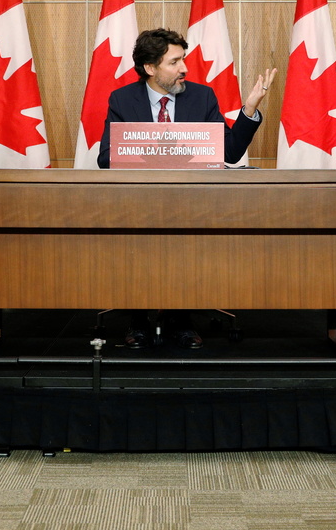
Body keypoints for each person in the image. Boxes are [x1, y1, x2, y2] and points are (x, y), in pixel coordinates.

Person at [97, 28, 277, 350]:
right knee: (136, 236)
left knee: (187, 238)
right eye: (174, 62)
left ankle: (180, 319)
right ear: (150, 68)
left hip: (192, 202)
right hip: (140, 202)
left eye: (183, 59)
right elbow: (106, 157)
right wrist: (158, 152)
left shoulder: (201, 97)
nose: (184, 68)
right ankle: (138, 319)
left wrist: (249, 109)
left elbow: (230, 152)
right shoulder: (122, 99)